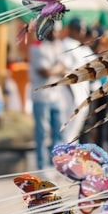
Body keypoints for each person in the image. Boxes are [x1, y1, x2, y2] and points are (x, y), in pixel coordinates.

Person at [29, 24, 73, 171]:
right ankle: (42, 166)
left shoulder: (58, 45)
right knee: (42, 132)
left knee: (58, 131)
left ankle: (55, 164)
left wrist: (58, 69)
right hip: (41, 96)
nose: (56, 34)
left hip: (57, 96)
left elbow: (65, 67)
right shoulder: (37, 47)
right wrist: (59, 69)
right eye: (53, 31)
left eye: (58, 31)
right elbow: (44, 71)